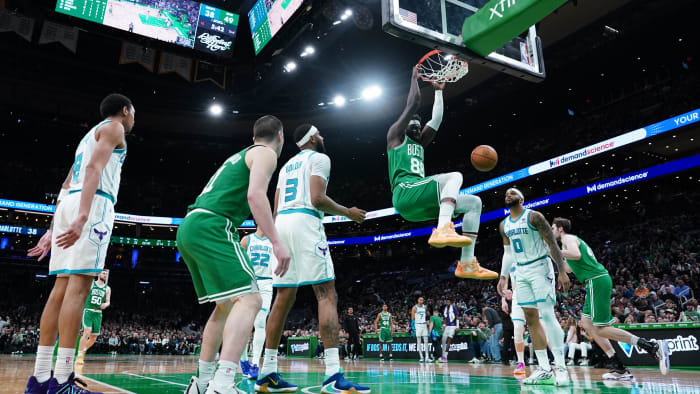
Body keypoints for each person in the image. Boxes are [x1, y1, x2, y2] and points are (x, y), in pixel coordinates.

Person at [25, 93, 134, 394]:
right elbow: (93, 170)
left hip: (67, 204)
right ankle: (61, 380)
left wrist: (51, 228)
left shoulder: (87, 137)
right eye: (132, 112)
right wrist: (85, 214)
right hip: (93, 204)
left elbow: (64, 185)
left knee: (59, 290)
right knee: (78, 289)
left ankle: (40, 379)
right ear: (125, 110)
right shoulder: (115, 127)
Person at [180, 115, 291, 394]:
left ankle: (202, 383)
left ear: (254, 135)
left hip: (192, 225)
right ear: (280, 135)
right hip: (214, 225)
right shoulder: (266, 153)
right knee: (252, 299)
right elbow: (256, 196)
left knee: (225, 305)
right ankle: (223, 383)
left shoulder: (241, 155)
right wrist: (277, 242)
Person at [255, 124, 369, 393]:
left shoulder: (285, 168)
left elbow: (275, 208)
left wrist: (275, 239)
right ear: (313, 138)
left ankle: (268, 372)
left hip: (281, 224)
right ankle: (332, 375)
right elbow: (317, 198)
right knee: (326, 294)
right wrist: (347, 212)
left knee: (283, 297)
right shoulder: (320, 158)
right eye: (321, 134)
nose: (324, 137)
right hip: (306, 222)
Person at [386, 66, 496, 280]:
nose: (418, 128)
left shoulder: (420, 142)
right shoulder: (395, 138)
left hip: (417, 203)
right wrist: (413, 79)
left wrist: (438, 91)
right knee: (455, 176)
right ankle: (444, 226)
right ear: (404, 126)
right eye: (413, 125)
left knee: (474, 203)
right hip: (404, 192)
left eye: (419, 126)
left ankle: (466, 263)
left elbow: (436, 120)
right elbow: (414, 103)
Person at [552, 217, 670, 379]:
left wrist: (553, 249)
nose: (551, 231)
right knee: (587, 323)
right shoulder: (565, 243)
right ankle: (618, 366)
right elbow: (568, 268)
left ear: (560, 229)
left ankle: (651, 346)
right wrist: (551, 252)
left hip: (596, 280)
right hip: (594, 281)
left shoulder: (568, 238)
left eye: (552, 228)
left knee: (600, 328)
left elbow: (576, 254)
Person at [496, 188, 570, 386]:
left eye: (512, 193)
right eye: (506, 194)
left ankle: (561, 368)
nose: (508, 195)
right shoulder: (504, 225)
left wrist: (561, 270)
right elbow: (508, 253)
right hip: (520, 272)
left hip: (540, 267)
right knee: (531, 319)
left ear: (521, 198)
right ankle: (545, 369)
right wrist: (503, 277)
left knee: (547, 315)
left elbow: (552, 242)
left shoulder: (534, 216)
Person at [238, 227, 278, 380]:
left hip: (266, 285)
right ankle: (243, 360)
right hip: (249, 283)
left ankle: (255, 364)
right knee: (245, 326)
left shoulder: (274, 242)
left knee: (260, 323)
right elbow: (238, 263)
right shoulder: (247, 240)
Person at [75, 269, 112, 375]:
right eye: (103, 273)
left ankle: (82, 350)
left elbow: (108, 301)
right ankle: (79, 357)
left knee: (94, 338)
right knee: (87, 332)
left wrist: (106, 304)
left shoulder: (107, 288)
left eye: (106, 274)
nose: (105, 275)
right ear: (99, 274)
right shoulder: (91, 284)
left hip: (98, 313)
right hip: (88, 310)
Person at [501, 265, 527, 376]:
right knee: (515, 333)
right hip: (508, 326)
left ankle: (556, 362)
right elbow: (505, 281)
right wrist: (503, 299)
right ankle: (519, 362)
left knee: (542, 326)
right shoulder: (509, 253)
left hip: (532, 291)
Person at [411, 297, 429, 363]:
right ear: (418, 300)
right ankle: (421, 357)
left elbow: (426, 316)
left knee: (426, 341)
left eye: (422, 300)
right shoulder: (414, 308)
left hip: (424, 325)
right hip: (418, 325)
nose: (421, 301)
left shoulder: (425, 307)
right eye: (420, 300)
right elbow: (412, 319)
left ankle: (427, 357)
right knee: (419, 341)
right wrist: (413, 328)